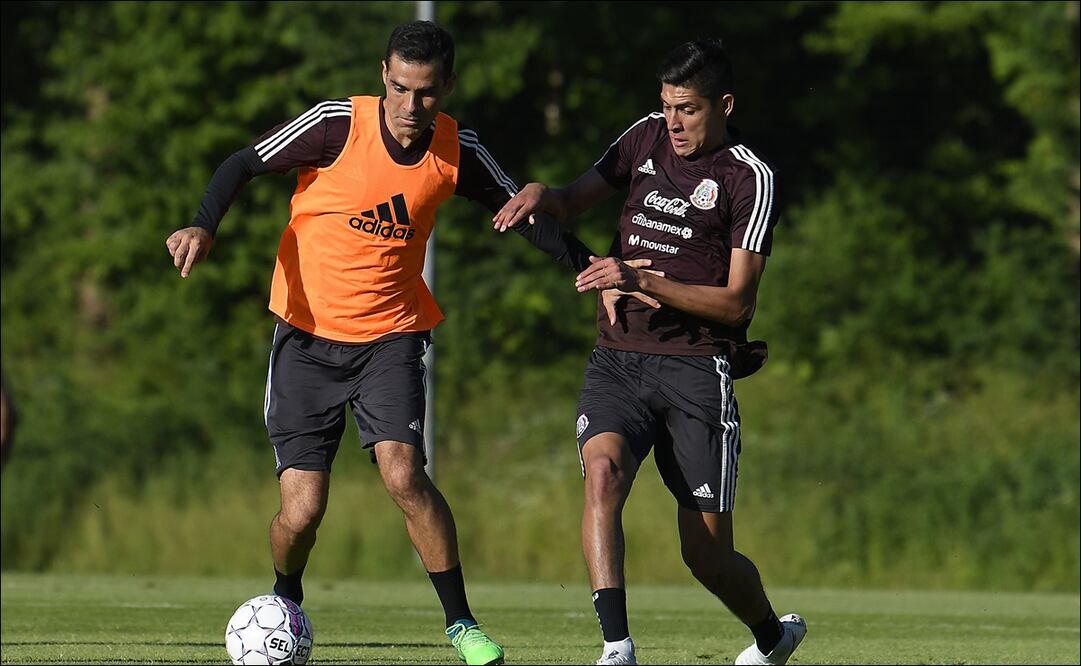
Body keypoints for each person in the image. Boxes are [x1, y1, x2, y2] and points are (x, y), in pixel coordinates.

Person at [166, 21, 605, 666]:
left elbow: (523, 216)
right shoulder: (336, 124)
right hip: (306, 338)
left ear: (447, 87)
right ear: (383, 76)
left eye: (425, 93)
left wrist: (588, 269)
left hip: (391, 339)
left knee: (404, 473)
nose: (410, 106)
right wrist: (204, 225)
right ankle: (285, 596)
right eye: (399, 88)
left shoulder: (457, 148)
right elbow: (242, 163)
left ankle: (461, 624)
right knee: (303, 511)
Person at [493, 38, 807, 665]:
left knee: (706, 555)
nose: (673, 122)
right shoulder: (643, 139)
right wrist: (541, 194)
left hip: (697, 370)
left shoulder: (748, 177)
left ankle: (773, 635)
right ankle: (617, 647)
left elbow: (739, 304)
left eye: (687, 109)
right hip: (618, 358)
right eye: (666, 106)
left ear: (723, 105)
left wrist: (641, 281)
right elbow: (575, 198)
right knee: (602, 476)